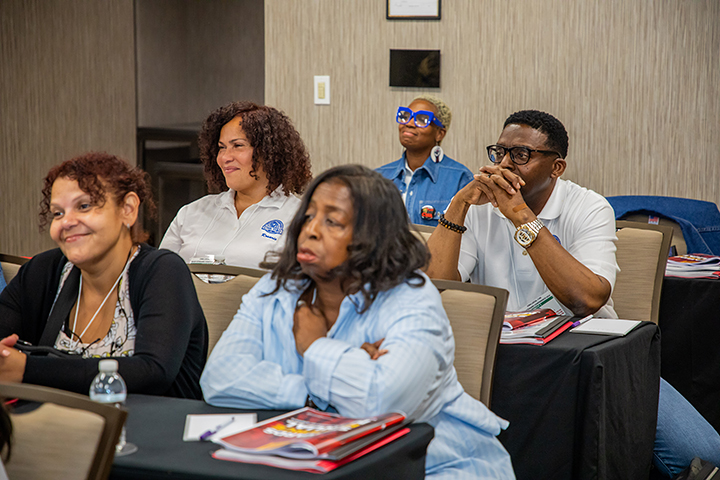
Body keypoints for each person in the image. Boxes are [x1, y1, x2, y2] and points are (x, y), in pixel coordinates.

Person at [425, 109, 720, 477]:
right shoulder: (480, 209)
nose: (504, 164)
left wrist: (521, 216)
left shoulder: (589, 207)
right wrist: (458, 206)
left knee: (705, 453)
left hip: (597, 363)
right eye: (499, 152)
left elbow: (587, 299)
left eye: (521, 155)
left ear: (556, 167)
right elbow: (436, 289)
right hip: (508, 363)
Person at [201, 165, 515, 479]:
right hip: (317, 463)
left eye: (332, 222)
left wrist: (315, 346)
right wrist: (319, 394)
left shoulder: (412, 298)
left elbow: (384, 403)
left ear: (373, 237)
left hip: (434, 466)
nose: (311, 230)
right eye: (308, 216)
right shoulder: (279, 287)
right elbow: (219, 378)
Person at [0, 152, 207, 399]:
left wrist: (26, 369)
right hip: (57, 421)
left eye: (84, 206)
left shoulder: (163, 271)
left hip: (150, 422)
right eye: (57, 213)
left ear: (128, 209)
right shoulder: (43, 271)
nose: (66, 222)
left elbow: (152, 371)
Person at [160, 101, 312, 269]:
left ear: (270, 152)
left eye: (238, 146)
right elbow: (161, 274)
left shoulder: (299, 219)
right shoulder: (190, 213)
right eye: (222, 147)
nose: (225, 157)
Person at [377, 95, 473, 227]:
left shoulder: (460, 179)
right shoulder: (379, 177)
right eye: (406, 116)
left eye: (422, 119)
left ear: (439, 133)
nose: (409, 123)